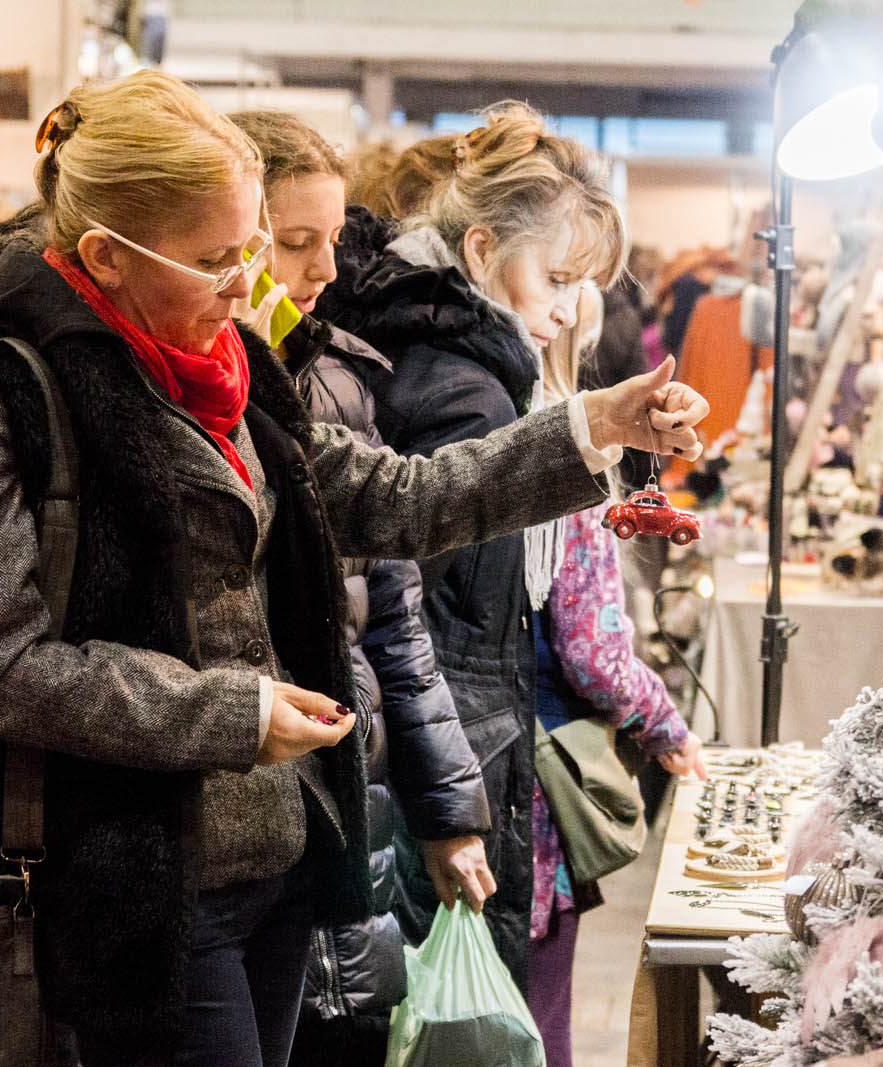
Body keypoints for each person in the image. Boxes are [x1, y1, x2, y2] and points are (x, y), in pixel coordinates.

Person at [0, 70, 706, 1067]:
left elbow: (394, 497)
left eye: (251, 249)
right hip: (130, 891)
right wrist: (229, 713)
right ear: (106, 257)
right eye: (216, 259)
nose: (249, 286)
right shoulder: (6, 399)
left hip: (273, 867)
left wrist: (587, 428)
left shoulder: (231, 369)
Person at [314, 101, 629, 993]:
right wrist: (449, 808)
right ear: (484, 252)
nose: (570, 312)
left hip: (422, 767)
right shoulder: (469, 395)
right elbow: (400, 626)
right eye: (559, 279)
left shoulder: (423, 353)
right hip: (438, 774)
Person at [226, 107, 493, 1067]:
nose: (325, 271)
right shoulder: (173, 394)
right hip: (233, 832)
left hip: (348, 802)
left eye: (333, 240)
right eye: (296, 243)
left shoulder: (336, 381)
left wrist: (446, 809)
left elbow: (395, 619)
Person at [526, 284, 708, 1067]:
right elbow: (595, 650)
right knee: (535, 1018)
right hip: (531, 769)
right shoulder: (556, 453)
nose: (565, 307)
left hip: (470, 761)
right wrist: (666, 725)